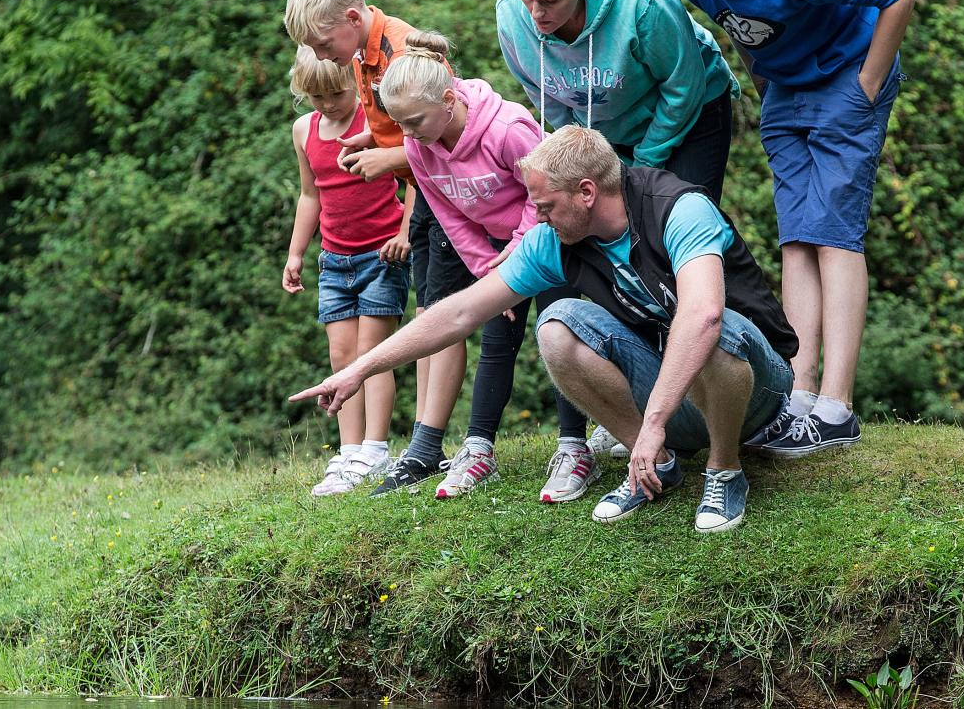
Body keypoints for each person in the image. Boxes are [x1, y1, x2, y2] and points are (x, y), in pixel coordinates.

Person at [291, 126, 798, 535]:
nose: (534, 216)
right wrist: (361, 368)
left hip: (755, 391)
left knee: (711, 327)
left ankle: (724, 470)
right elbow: (461, 312)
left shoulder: (678, 209)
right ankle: (657, 464)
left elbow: (704, 316)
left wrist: (654, 418)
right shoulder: (555, 239)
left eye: (545, 205)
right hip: (674, 406)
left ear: (586, 193)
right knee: (556, 326)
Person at [640, 0, 915, 458]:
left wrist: (866, 87)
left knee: (834, 234)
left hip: (848, 76)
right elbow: (742, 32)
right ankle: (799, 393)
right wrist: (766, 86)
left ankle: (837, 407)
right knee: (796, 236)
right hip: (785, 89)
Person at [378, 32, 599, 503]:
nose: (408, 134)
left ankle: (574, 447)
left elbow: (546, 189)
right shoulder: (419, 146)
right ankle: (478, 449)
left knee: (558, 332)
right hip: (497, 252)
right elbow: (449, 213)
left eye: (414, 120)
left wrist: (521, 250)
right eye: (398, 124)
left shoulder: (508, 128)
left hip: (548, 236)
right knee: (497, 337)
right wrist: (487, 271)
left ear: (449, 99)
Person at [284, 0, 470, 493]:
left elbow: (443, 128)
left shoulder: (403, 49)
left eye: (323, 44)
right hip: (420, 195)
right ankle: (417, 445)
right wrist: (370, 139)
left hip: (440, 195)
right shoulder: (363, 57)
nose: (321, 56)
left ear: (350, 19)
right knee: (425, 314)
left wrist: (386, 159)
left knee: (438, 315)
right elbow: (392, 124)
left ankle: (423, 445)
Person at [497, 0, 739, 206]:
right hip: (610, 130)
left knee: (681, 213)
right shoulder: (509, 13)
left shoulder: (644, 1)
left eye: (550, 1)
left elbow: (683, 87)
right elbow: (538, 87)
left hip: (691, 110)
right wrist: (596, 154)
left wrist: (642, 165)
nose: (535, 13)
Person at [282, 47, 410, 495]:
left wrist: (406, 232)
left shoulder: (375, 123)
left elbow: (415, 171)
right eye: (315, 96)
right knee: (341, 357)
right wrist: (296, 252)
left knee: (372, 355)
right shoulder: (305, 131)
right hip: (334, 260)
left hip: (382, 255)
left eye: (335, 93)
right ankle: (349, 452)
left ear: (354, 84)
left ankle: (376, 449)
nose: (327, 104)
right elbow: (310, 196)